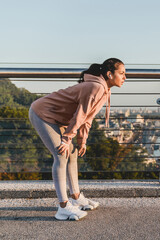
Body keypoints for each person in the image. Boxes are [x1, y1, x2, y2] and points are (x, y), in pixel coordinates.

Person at [29, 58, 126, 220]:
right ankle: (63, 207)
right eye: (122, 73)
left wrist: (82, 141)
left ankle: (75, 196)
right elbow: (80, 115)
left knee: (72, 153)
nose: (125, 77)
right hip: (42, 113)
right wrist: (66, 139)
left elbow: (87, 118)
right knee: (61, 155)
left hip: (58, 119)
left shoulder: (103, 89)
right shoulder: (96, 87)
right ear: (109, 74)